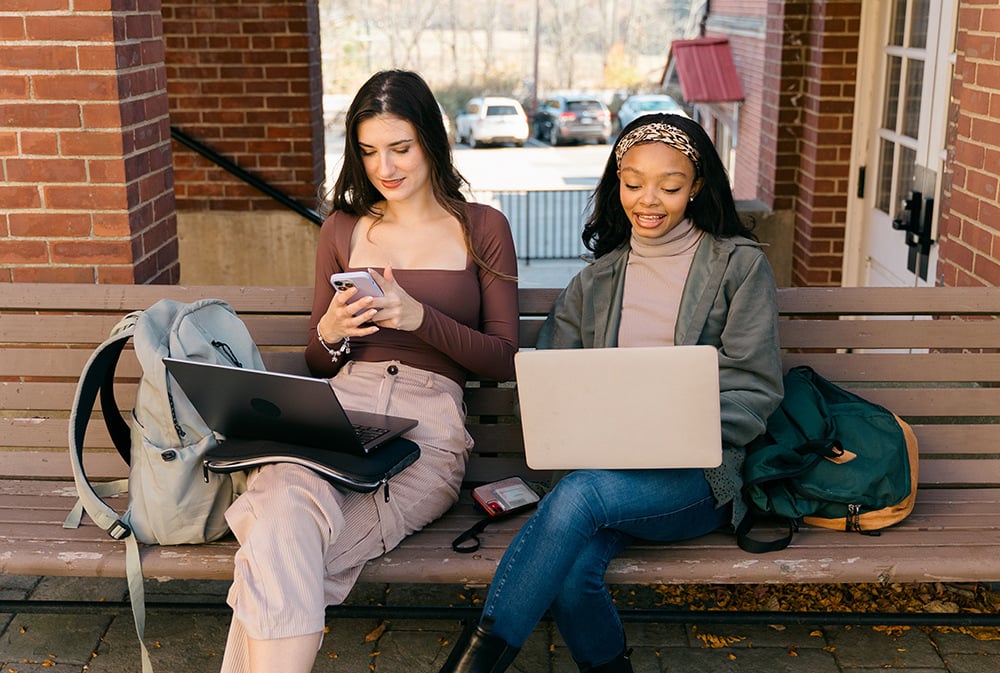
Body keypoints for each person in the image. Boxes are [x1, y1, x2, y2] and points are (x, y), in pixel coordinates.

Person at [437, 113, 784, 673]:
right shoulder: (594, 283)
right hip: (602, 472)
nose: (648, 200)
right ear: (615, 182)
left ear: (696, 187)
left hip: (696, 480)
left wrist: (681, 428)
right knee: (574, 574)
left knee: (580, 496)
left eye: (669, 187)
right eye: (633, 183)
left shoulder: (739, 268)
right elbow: (544, 383)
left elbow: (755, 386)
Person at [219, 69, 519, 673]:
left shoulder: (481, 227)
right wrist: (330, 333)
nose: (385, 166)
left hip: (425, 433)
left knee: (275, 550)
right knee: (282, 505)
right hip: (338, 413)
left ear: (432, 142)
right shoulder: (343, 229)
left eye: (400, 148)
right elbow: (317, 358)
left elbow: (502, 357)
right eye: (368, 150)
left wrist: (420, 319)